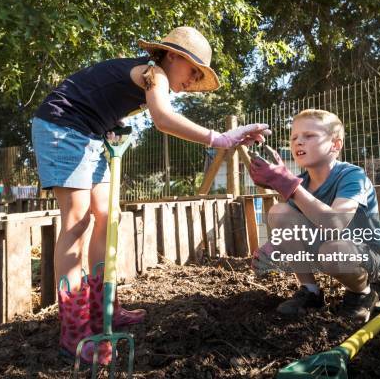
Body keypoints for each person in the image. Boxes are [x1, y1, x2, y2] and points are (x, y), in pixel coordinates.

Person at [31, 26, 271, 364]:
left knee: (107, 215)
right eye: (193, 70)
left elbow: (101, 94)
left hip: (88, 133)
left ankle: (103, 311)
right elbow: (163, 118)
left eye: (199, 75)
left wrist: (110, 122)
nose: (192, 81)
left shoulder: (147, 78)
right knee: (78, 221)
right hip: (61, 126)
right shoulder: (153, 73)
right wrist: (221, 138)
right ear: (172, 55)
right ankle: (74, 331)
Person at [248, 109, 380, 323]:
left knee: (333, 250)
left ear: (336, 145)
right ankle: (310, 291)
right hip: (325, 248)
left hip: (365, 255)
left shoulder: (352, 176)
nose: (298, 142)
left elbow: (335, 224)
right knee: (279, 211)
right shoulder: (302, 182)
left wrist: (289, 186)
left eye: (309, 136)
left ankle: (363, 293)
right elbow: (289, 229)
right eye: (294, 137)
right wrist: (270, 249)